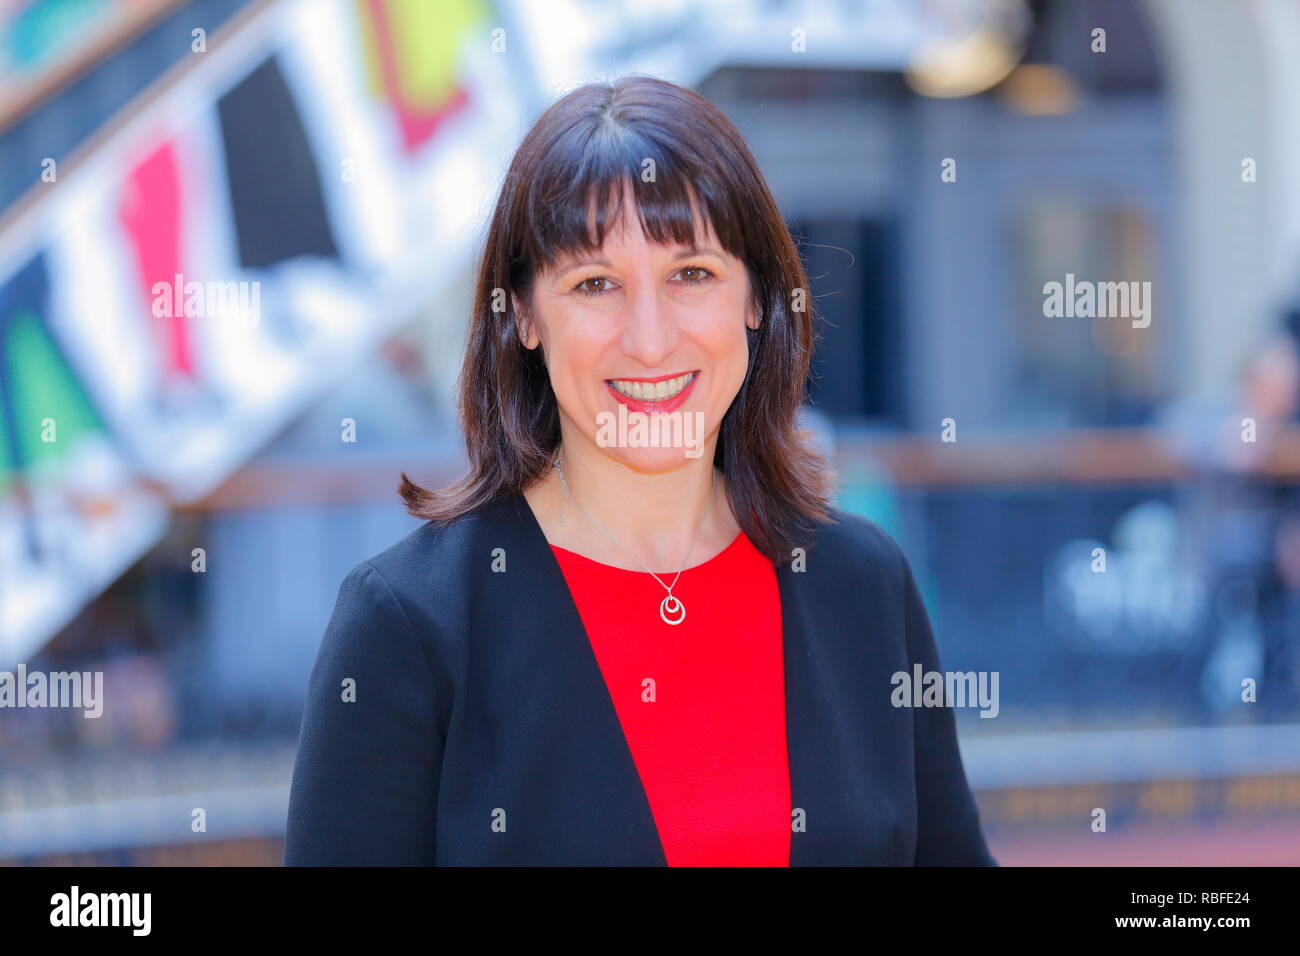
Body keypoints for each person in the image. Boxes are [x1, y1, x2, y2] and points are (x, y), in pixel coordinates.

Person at [284, 75, 995, 866]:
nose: (650, 340)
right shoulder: (410, 625)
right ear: (522, 314)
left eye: (691, 274)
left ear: (757, 298)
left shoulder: (861, 583)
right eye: (596, 284)